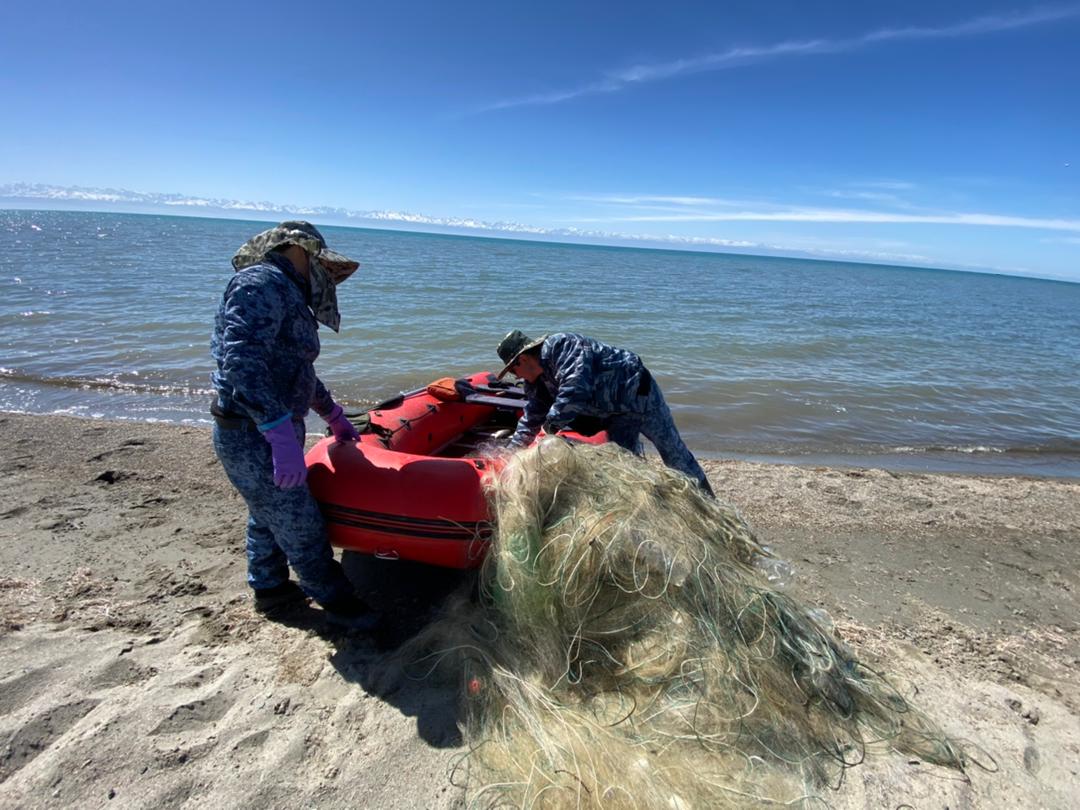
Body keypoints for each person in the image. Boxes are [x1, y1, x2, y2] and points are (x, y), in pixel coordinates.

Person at [211, 221, 375, 627]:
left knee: (267, 513)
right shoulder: (259, 285)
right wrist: (277, 431)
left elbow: (295, 368)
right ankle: (339, 603)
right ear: (302, 251)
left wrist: (331, 413)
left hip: (272, 426)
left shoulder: (285, 292)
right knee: (300, 523)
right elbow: (241, 362)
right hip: (251, 431)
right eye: (321, 263)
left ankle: (269, 589)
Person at [495, 330, 714, 496]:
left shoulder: (561, 346)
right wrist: (513, 451)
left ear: (522, 360)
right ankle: (645, 506)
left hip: (640, 397)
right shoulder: (537, 384)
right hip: (615, 417)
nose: (517, 377)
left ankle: (708, 502)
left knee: (674, 453)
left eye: (514, 371)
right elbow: (531, 416)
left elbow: (575, 389)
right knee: (626, 465)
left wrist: (549, 427)